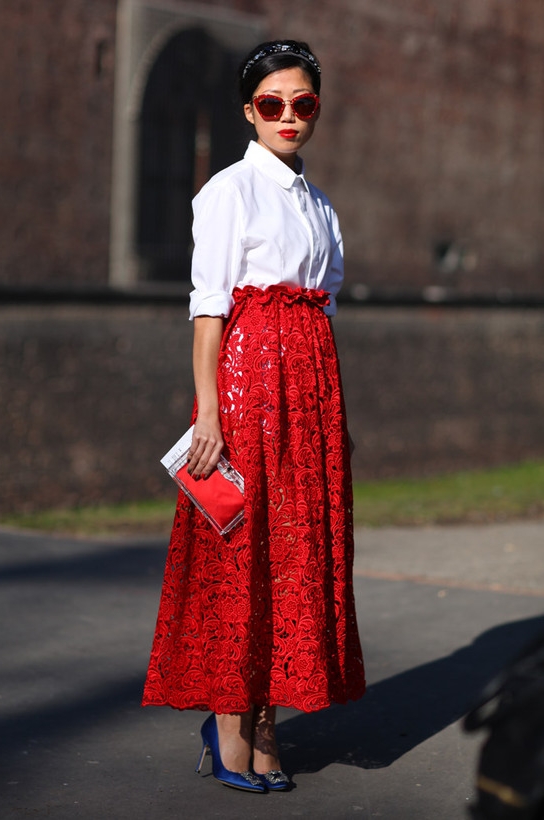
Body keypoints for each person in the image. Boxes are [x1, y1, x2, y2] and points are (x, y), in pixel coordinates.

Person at [142, 39, 366, 793]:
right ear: (249, 110)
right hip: (244, 382)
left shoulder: (321, 205)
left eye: (303, 104)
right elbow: (209, 310)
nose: (289, 117)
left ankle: (267, 725)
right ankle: (232, 726)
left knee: (294, 555)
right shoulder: (229, 190)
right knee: (241, 553)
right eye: (273, 104)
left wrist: (335, 418)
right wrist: (209, 413)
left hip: (308, 386)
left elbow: (324, 307)